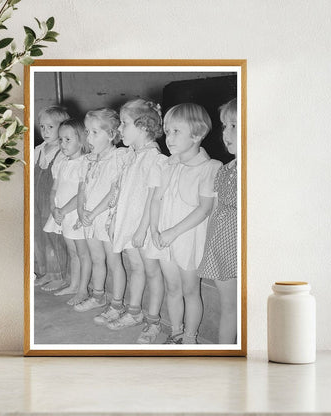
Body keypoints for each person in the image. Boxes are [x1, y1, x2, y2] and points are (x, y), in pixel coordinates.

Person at [147, 103, 222, 344]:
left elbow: (204, 208)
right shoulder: (167, 164)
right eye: (167, 131)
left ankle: (190, 337)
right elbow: (156, 199)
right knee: (172, 288)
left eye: (176, 131)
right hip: (163, 237)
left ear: (198, 134)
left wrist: (173, 232)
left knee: (190, 290)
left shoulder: (209, 168)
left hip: (187, 238)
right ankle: (176, 331)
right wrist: (154, 229)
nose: (169, 137)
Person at [101, 99, 166, 345]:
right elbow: (121, 191)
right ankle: (134, 311)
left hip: (144, 227)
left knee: (151, 272)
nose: (120, 130)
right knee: (136, 268)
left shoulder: (153, 157)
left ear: (143, 127)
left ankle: (153, 322)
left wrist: (142, 229)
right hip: (128, 223)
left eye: (124, 124)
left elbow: (152, 197)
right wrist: (114, 219)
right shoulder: (131, 155)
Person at [73, 108, 127, 312]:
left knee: (114, 261)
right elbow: (82, 188)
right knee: (96, 258)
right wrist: (81, 211)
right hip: (89, 218)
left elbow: (115, 191)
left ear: (112, 134)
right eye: (87, 132)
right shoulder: (87, 160)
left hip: (105, 217)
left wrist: (94, 213)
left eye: (95, 132)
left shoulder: (118, 158)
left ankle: (117, 304)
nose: (89, 137)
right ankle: (98, 296)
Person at [198, 98, 238, 344]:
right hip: (223, 247)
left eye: (234, 125)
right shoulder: (225, 168)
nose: (227, 133)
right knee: (228, 307)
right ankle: (225, 356)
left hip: (247, 247)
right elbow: (214, 209)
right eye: (225, 126)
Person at [43, 119, 92, 305]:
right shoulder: (63, 162)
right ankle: (73, 284)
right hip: (62, 214)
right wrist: (53, 208)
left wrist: (63, 210)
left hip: (74, 213)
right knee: (72, 252)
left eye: (67, 140)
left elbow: (82, 193)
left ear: (81, 141)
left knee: (82, 253)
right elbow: (54, 188)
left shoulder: (85, 163)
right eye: (61, 140)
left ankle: (82, 290)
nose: (63, 144)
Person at [34, 106, 69, 291]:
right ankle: (45, 271)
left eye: (50, 127)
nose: (45, 131)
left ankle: (59, 274)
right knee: (39, 235)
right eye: (42, 127)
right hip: (36, 201)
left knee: (54, 237)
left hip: (52, 200)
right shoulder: (39, 149)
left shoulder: (63, 151)